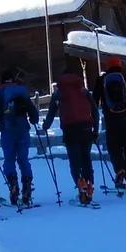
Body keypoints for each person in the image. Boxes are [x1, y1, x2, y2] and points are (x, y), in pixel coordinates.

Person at [44, 56, 99, 205]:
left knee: (75, 161)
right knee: (86, 158)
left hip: (70, 129)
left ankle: (79, 184)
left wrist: (45, 127)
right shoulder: (83, 91)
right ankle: (88, 185)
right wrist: (96, 129)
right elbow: (95, 110)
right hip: (87, 128)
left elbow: (51, 113)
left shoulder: (59, 92)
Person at [95, 55, 126, 192]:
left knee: (114, 147)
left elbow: (94, 101)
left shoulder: (101, 80)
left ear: (107, 66)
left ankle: (119, 169)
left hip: (111, 120)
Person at [0, 69, 38, 206]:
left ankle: (13, 185)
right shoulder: (21, 91)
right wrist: (34, 119)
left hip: (7, 130)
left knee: (9, 159)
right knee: (23, 159)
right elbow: (31, 109)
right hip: (23, 129)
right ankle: (27, 185)